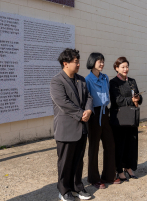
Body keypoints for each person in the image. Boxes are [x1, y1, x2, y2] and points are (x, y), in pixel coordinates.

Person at [50, 48, 93, 201]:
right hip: (66, 129)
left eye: (78, 61)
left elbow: (89, 96)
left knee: (78, 160)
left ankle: (77, 187)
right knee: (65, 162)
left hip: (81, 128)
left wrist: (88, 110)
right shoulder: (57, 81)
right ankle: (64, 190)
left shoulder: (81, 79)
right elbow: (63, 102)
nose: (79, 64)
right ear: (65, 63)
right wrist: (81, 114)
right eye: (76, 62)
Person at [84, 53, 118, 189]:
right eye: (99, 61)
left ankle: (108, 175)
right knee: (94, 147)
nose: (102, 63)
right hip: (94, 114)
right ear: (92, 62)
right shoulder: (87, 79)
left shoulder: (105, 78)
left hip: (105, 112)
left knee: (110, 145)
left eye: (103, 61)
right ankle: (93, 178)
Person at [109, 57, 142, 181]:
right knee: (120, 145)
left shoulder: (132, 81)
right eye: (122, 67)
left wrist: (138, 99)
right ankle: (119, 169)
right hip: (119, 119)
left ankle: (128, 167)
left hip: (131, 118)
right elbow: (116, 100)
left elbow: (138, 96)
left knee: (131, 144)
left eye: (127, 66)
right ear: (116, 68)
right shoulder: (113, 82)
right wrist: (131, 100)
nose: (125, 69)